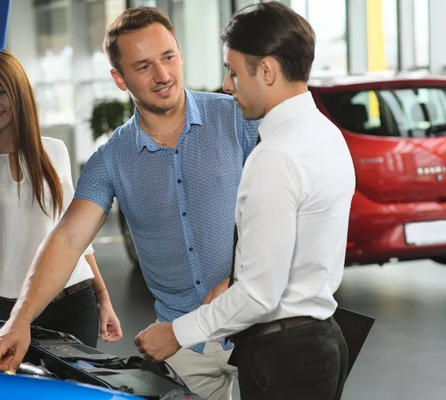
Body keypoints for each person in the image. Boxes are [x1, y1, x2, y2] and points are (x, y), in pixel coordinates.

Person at [0, 8, 260, 400]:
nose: (163, 75)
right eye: (143, 66)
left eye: (168, 57)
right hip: (182, 347)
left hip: (258, 325)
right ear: (119, 78)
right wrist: (20, 319)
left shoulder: (236, 118)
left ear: (180, 54)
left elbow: (285, 209)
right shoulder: (111, 159)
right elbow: (67, 241)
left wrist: (238, 273)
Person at [135, 2, 356, 399]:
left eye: (234, 72)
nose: (226, 84)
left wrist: (175, 333)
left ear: (267, 71)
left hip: (284, 359)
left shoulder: (275, 157)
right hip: (321, 342)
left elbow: (259, 295)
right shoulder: (325, 133)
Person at [0, 50, 122, 348]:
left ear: (20, 94)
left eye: (1, 91)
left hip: (74, 301)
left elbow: (76, 235)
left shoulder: (55, 152)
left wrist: (103, 298)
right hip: (7, 311)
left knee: (76, 395)